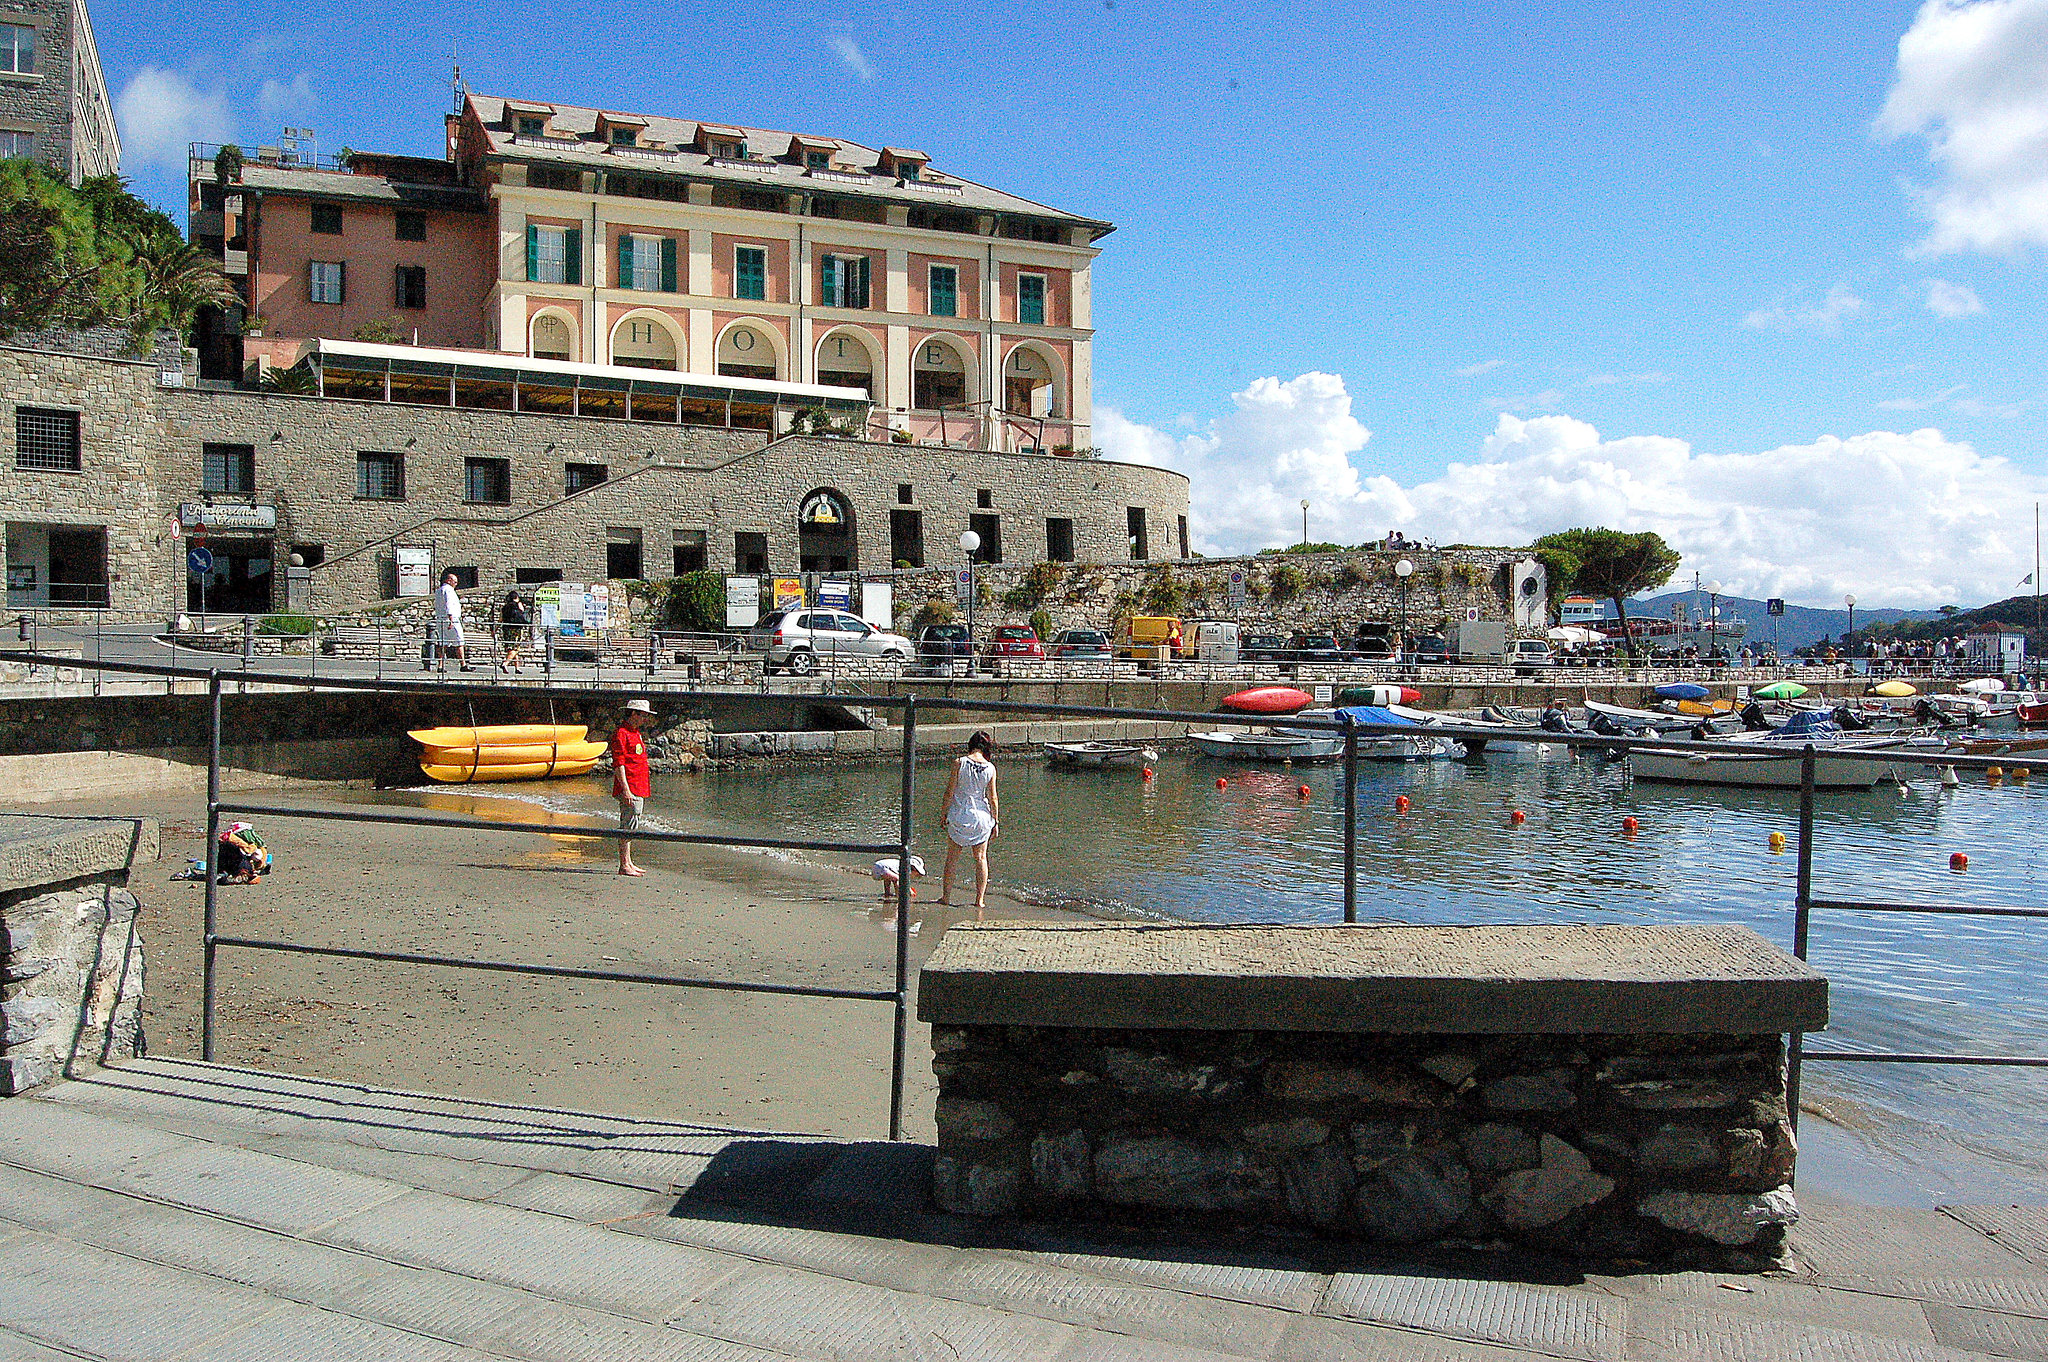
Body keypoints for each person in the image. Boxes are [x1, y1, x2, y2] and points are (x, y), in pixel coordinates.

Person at [937, 730, 999, 912]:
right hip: (981, 816)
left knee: (952, 858)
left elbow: (949, 792)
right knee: (980, 858)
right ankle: (979, 899)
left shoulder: (959, 762)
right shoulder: (990, 768)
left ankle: (946, 897)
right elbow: (993, 798)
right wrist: (996, 821)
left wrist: (943, 814)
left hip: (960, 815)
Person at [611, 698, 655, 876]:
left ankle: (628, 861)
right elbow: (619, 763)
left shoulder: (636, 733)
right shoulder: (622, 733)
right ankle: (624, 864)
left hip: (639, 785)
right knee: (628, 823)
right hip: (630, 786)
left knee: (633, 822)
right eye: (643, 715)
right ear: (633, 714)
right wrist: (626, 789)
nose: (645, 719)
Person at [432, 570, 471, 672]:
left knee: (442, 643)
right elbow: (449, 604)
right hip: (451, 619)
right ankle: (463, 664)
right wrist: (451, 619)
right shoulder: (449, 591)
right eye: (455, 582)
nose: (456, 584)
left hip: (440, 618)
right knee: (459, 641)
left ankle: (440, 665)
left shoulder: (439, 590)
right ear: (449, 580)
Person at [498, 590, 531, 672]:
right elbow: (523, 615)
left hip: (506, 629)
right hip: (516, 629)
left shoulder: (505, 607)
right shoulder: (518, 605)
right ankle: (505, 663)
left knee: (511, 648)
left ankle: (517, 667)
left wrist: (494, 630)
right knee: (515, 648)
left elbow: (500, 619)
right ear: (516, 597)